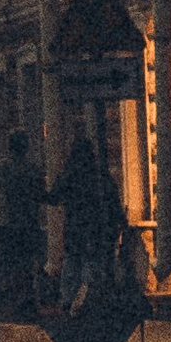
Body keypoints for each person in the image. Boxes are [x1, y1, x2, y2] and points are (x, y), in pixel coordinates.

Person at [52, 119, 119, 314]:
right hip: (95, 226)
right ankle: (88, 300)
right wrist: (117, 223)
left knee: (72, 262)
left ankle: (69, 301)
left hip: (75, 226)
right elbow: (112, 199)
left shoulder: (70, 174)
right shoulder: (99, 175)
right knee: (92, 263)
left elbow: (55, 196)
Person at [0, 125, 45, 310]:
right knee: (26, 260)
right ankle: (26, 295)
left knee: (9, 260)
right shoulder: (33, 169)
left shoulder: (0, 167)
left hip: (5, 222)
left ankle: (13, 294)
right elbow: (40, 194)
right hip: (27, 222)